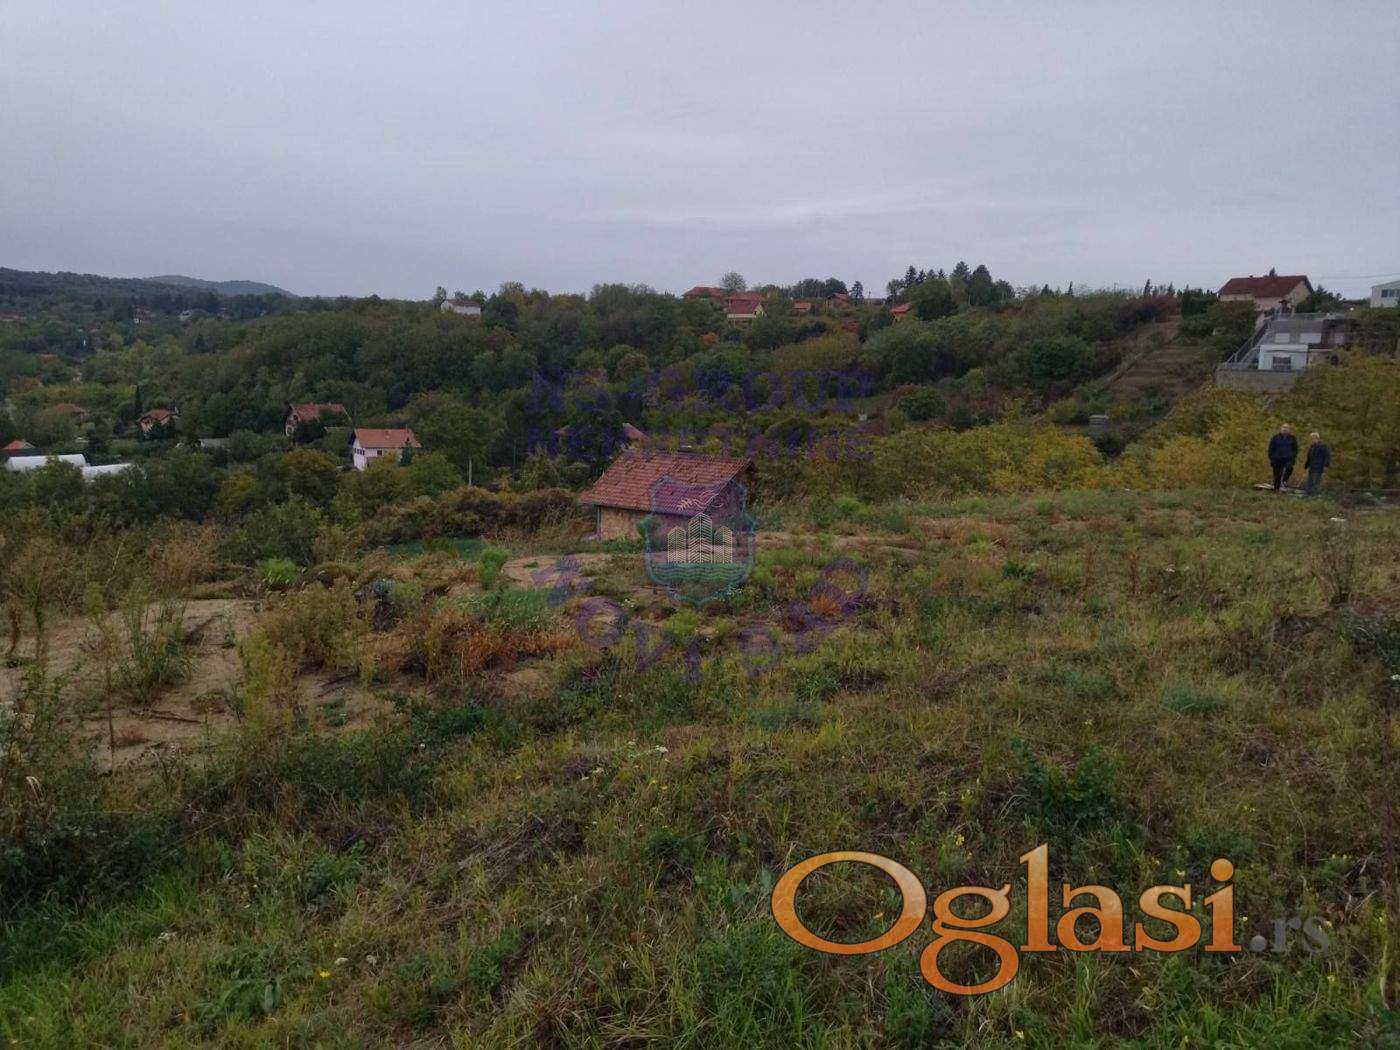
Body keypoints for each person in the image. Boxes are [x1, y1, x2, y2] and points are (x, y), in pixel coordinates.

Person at [1267, 423, 1298, 491]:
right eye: (1283, 427)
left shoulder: (1292, 438)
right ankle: (1276, 489)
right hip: (1277, 459)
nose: (1285, 429)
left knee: (1289, 468)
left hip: (1288, 459)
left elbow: (1295, 449)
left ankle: (1284, 480)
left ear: (1289, 429)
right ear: (1281, 428)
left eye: (1286, 428)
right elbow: (1271, 448)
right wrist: (1272, 458)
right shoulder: (1276, 437)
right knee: (1277, 475)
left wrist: (1293, 457)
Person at [1304, 432, 1331, 496]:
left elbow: (1327, 456)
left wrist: (1326, 465)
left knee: (1316, 480)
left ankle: (1315, 494)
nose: (1312, 440)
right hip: (1312, 466)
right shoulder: (1312, 446)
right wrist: (1306, 465)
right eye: (1311, 439)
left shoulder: (1322, 446)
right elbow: (1309, 457)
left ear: (1317, 438)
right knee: (1309, 480)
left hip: (1319, 466)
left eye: (1313, 438)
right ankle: (1308, 493)